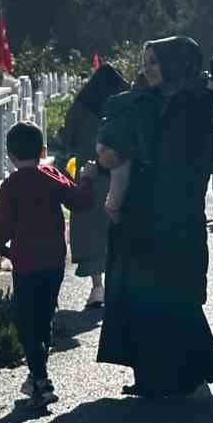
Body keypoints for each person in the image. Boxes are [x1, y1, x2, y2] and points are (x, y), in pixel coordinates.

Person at [96, 37, 213, 399]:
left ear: (176, 63)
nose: (147, 69)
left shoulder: (196, 100)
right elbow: (121, 147)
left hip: (177, 217)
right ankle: (150, 377)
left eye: (155, 61)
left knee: (177, 298)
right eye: (145, 61)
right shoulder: (144, 102)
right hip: (139, 214)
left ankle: (192, 377)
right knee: (135, 296)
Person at [0, 121, 96, 408]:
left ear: (9, 155)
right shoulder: (52, 175)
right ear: (43, 150)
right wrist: (86, 178)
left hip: (26, 264)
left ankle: (41, 380)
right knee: (45, 315)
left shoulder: (11, 186)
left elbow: (4, 226)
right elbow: (81, 201)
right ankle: (38, 375)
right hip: (53, 261)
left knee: (27, 322)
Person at [53, 63, 129, 308]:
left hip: (89, 178)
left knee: (92, 235)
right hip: (118, 177)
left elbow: (67, 142)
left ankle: (98, 288)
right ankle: (119, 287)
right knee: (115, 232)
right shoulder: (120, 109)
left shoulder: (79, 108)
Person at [95, 74, 159, 224]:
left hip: (104, 141)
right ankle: (112, 208)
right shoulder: (146, 102)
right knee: (120, 179)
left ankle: (112, 206)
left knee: (116, 179)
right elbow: (141, 133)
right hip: (120, 148)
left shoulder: (120, 99)